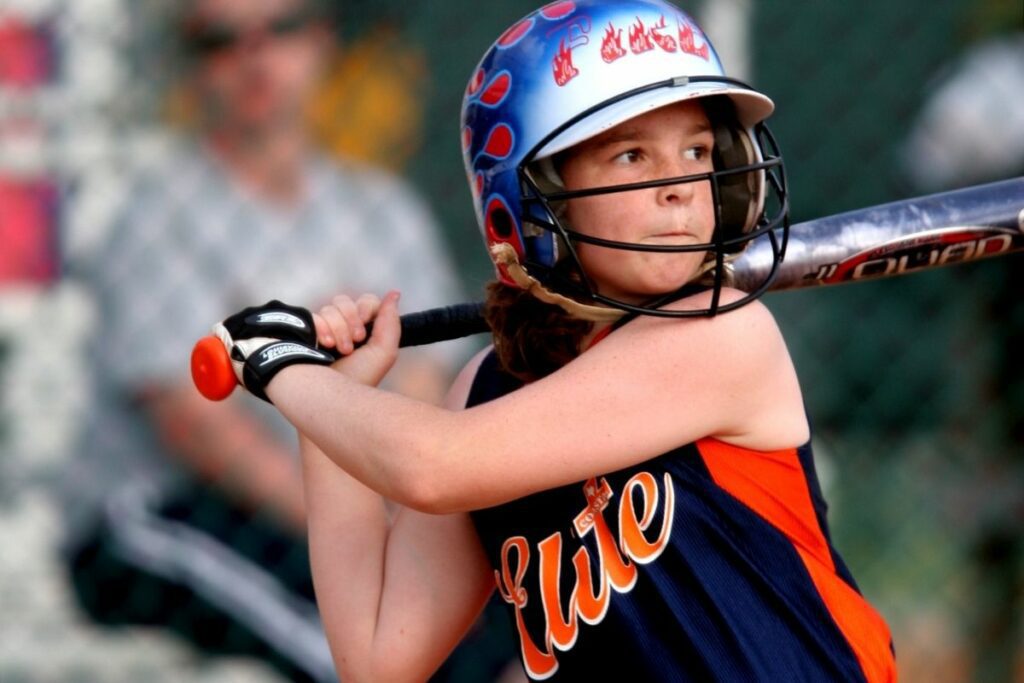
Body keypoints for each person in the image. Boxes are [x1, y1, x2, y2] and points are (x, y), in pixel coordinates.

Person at [208, 0, 898, 680]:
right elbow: (378, 655)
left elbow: (432, 465)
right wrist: (332, 406)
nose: (680, 186)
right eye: (631, 155)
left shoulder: (720, 334)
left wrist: (285, 372)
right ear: (536, 198)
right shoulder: (486, 390)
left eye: (695, 149)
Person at [58, 0, 500, 681]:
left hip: (349, 505)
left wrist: (392, 525)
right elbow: (199, 429)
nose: (256, 60)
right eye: (221, 43)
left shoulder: (379, 209)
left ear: (322, 41)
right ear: (191, 69)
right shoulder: (161, 211)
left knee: (490, 622)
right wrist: (358, 532)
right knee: (375, 656)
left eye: (282, 30)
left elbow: (423, 389)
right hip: (163, 507)